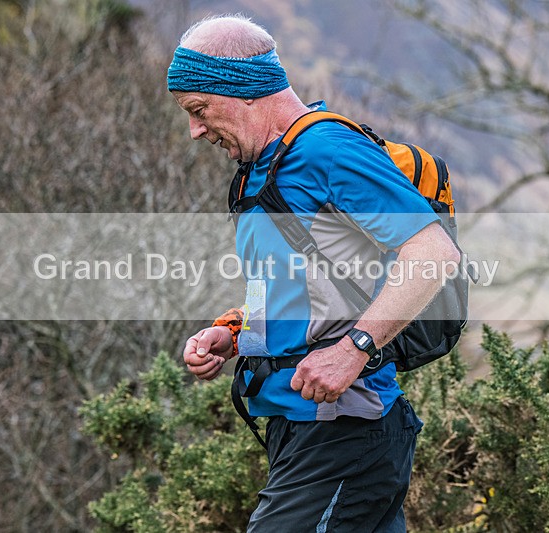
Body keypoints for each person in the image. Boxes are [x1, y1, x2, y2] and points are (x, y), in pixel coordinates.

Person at [169, 14, 460, 533]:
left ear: (243, 91)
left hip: (345, 432)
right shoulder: (265, 170)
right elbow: (307, 290)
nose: (195, 130)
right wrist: (233, 333)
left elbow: (432, 254)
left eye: (199, 110)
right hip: (299, 429)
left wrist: (354, 350)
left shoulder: (326, 151)